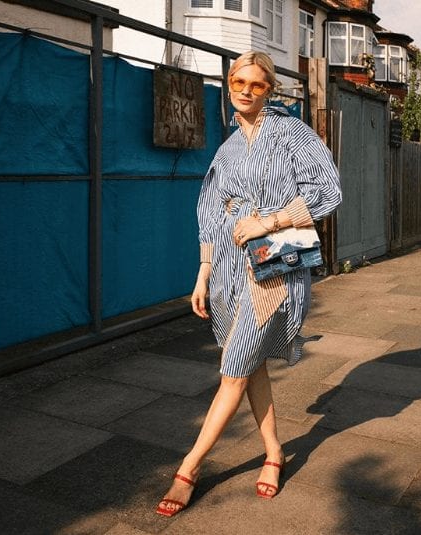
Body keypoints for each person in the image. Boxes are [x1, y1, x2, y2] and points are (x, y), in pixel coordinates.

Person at [156, 50, 342, 517]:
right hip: (227, 271)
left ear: (270, 90)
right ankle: (275, 453)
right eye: (238, 82)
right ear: (229, 83)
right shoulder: (228, 146)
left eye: (256, 85)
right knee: (252, 365)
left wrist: (270, 220)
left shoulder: (292, 133)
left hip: (273, 269)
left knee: (234, 369)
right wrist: (201, 273)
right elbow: (209, 210)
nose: (245, 91)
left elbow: (329, 190)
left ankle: (189, 467)